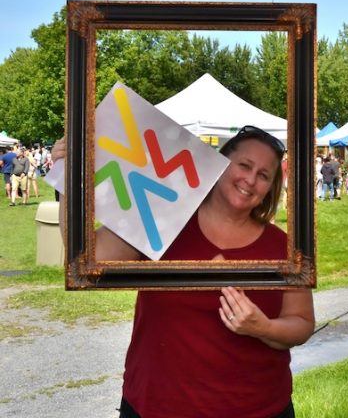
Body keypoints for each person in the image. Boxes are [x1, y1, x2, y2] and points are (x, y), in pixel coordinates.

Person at [54, 125, 315, 418]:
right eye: (244, 165)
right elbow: (87, 261)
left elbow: (302, 324)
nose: (251, 180)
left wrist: (261, 327)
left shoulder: (284, 246)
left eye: (264, 175)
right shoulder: (163, 216)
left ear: (271, 187)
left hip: (258, 409)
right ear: (220, 163)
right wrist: (69, 177)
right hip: (156, 406)